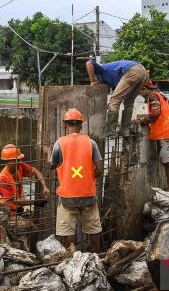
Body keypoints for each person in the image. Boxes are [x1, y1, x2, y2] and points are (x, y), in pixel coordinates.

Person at [49, 108, 104, 252]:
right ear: (81, 125)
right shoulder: (91, 143)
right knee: (93, 228)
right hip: (88, 195)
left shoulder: (59, 143)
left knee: (68, 231)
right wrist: (89, 177)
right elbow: (100, 168)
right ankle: (96, 256)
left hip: (68, 196)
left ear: (65, 125)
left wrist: (48, 153)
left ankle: (71, 260)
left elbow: (52, 165)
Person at [137, 80, 169, 192]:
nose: (140, 93)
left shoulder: (152, 95)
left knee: (167, 158)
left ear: (144, 88)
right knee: (165, 160)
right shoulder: (160, 95)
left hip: (163, 132)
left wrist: (143, 121)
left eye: (140, 90)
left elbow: (155, 113)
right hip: (165, 130)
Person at [85, 58, 149, 133]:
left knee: (114, 101)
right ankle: (125, 130)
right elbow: (118, 97)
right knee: (129, 102)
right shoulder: (113, 81)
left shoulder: (101, 69)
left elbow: (89, 63)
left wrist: (92, 80)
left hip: (132, 71)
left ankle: (110, 131)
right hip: (144, 72)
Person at [0, 144, 50, 214]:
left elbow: (35, 171)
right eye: (16, 160)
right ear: (8, 161)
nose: (19, 161)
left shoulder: (19, 165)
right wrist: (35, 202)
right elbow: (14, 200)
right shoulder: (2, 179)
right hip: (8, 210)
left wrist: (44, 186)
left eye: (19, 159)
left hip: (18, 206)